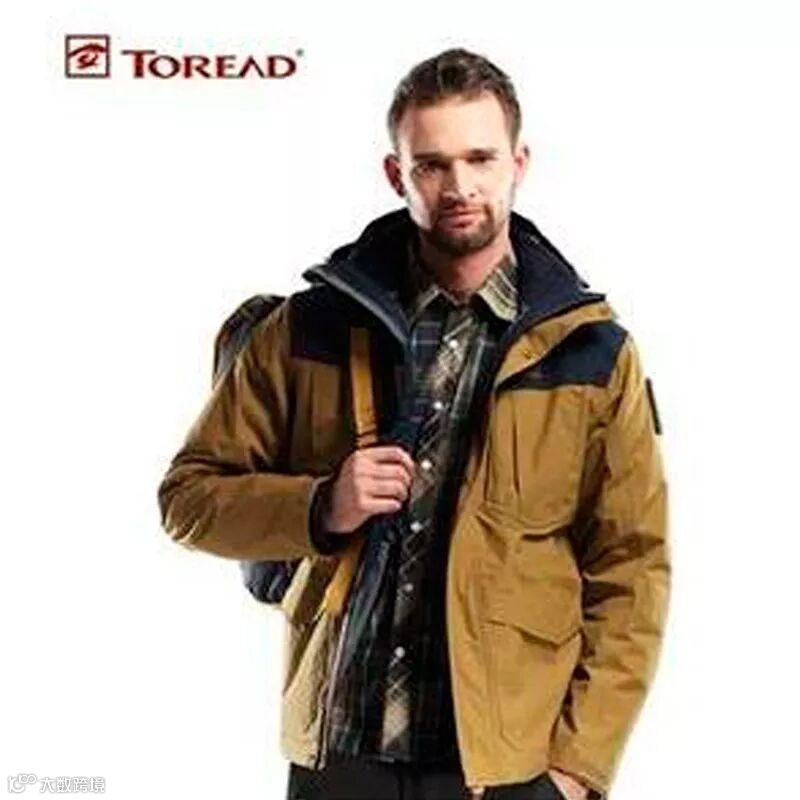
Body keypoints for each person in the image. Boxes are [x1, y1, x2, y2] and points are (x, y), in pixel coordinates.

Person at [157, 48, 670, 800]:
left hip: (504, 767)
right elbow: (188, 500)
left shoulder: (593, 354)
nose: (459, 186)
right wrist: (321, 504)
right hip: (340, 753)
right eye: (431, 164)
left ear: (518, 163)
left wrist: (575, 769)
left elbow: (632, 570)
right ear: (397, 174)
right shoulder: (307, 328)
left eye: (480, 159)